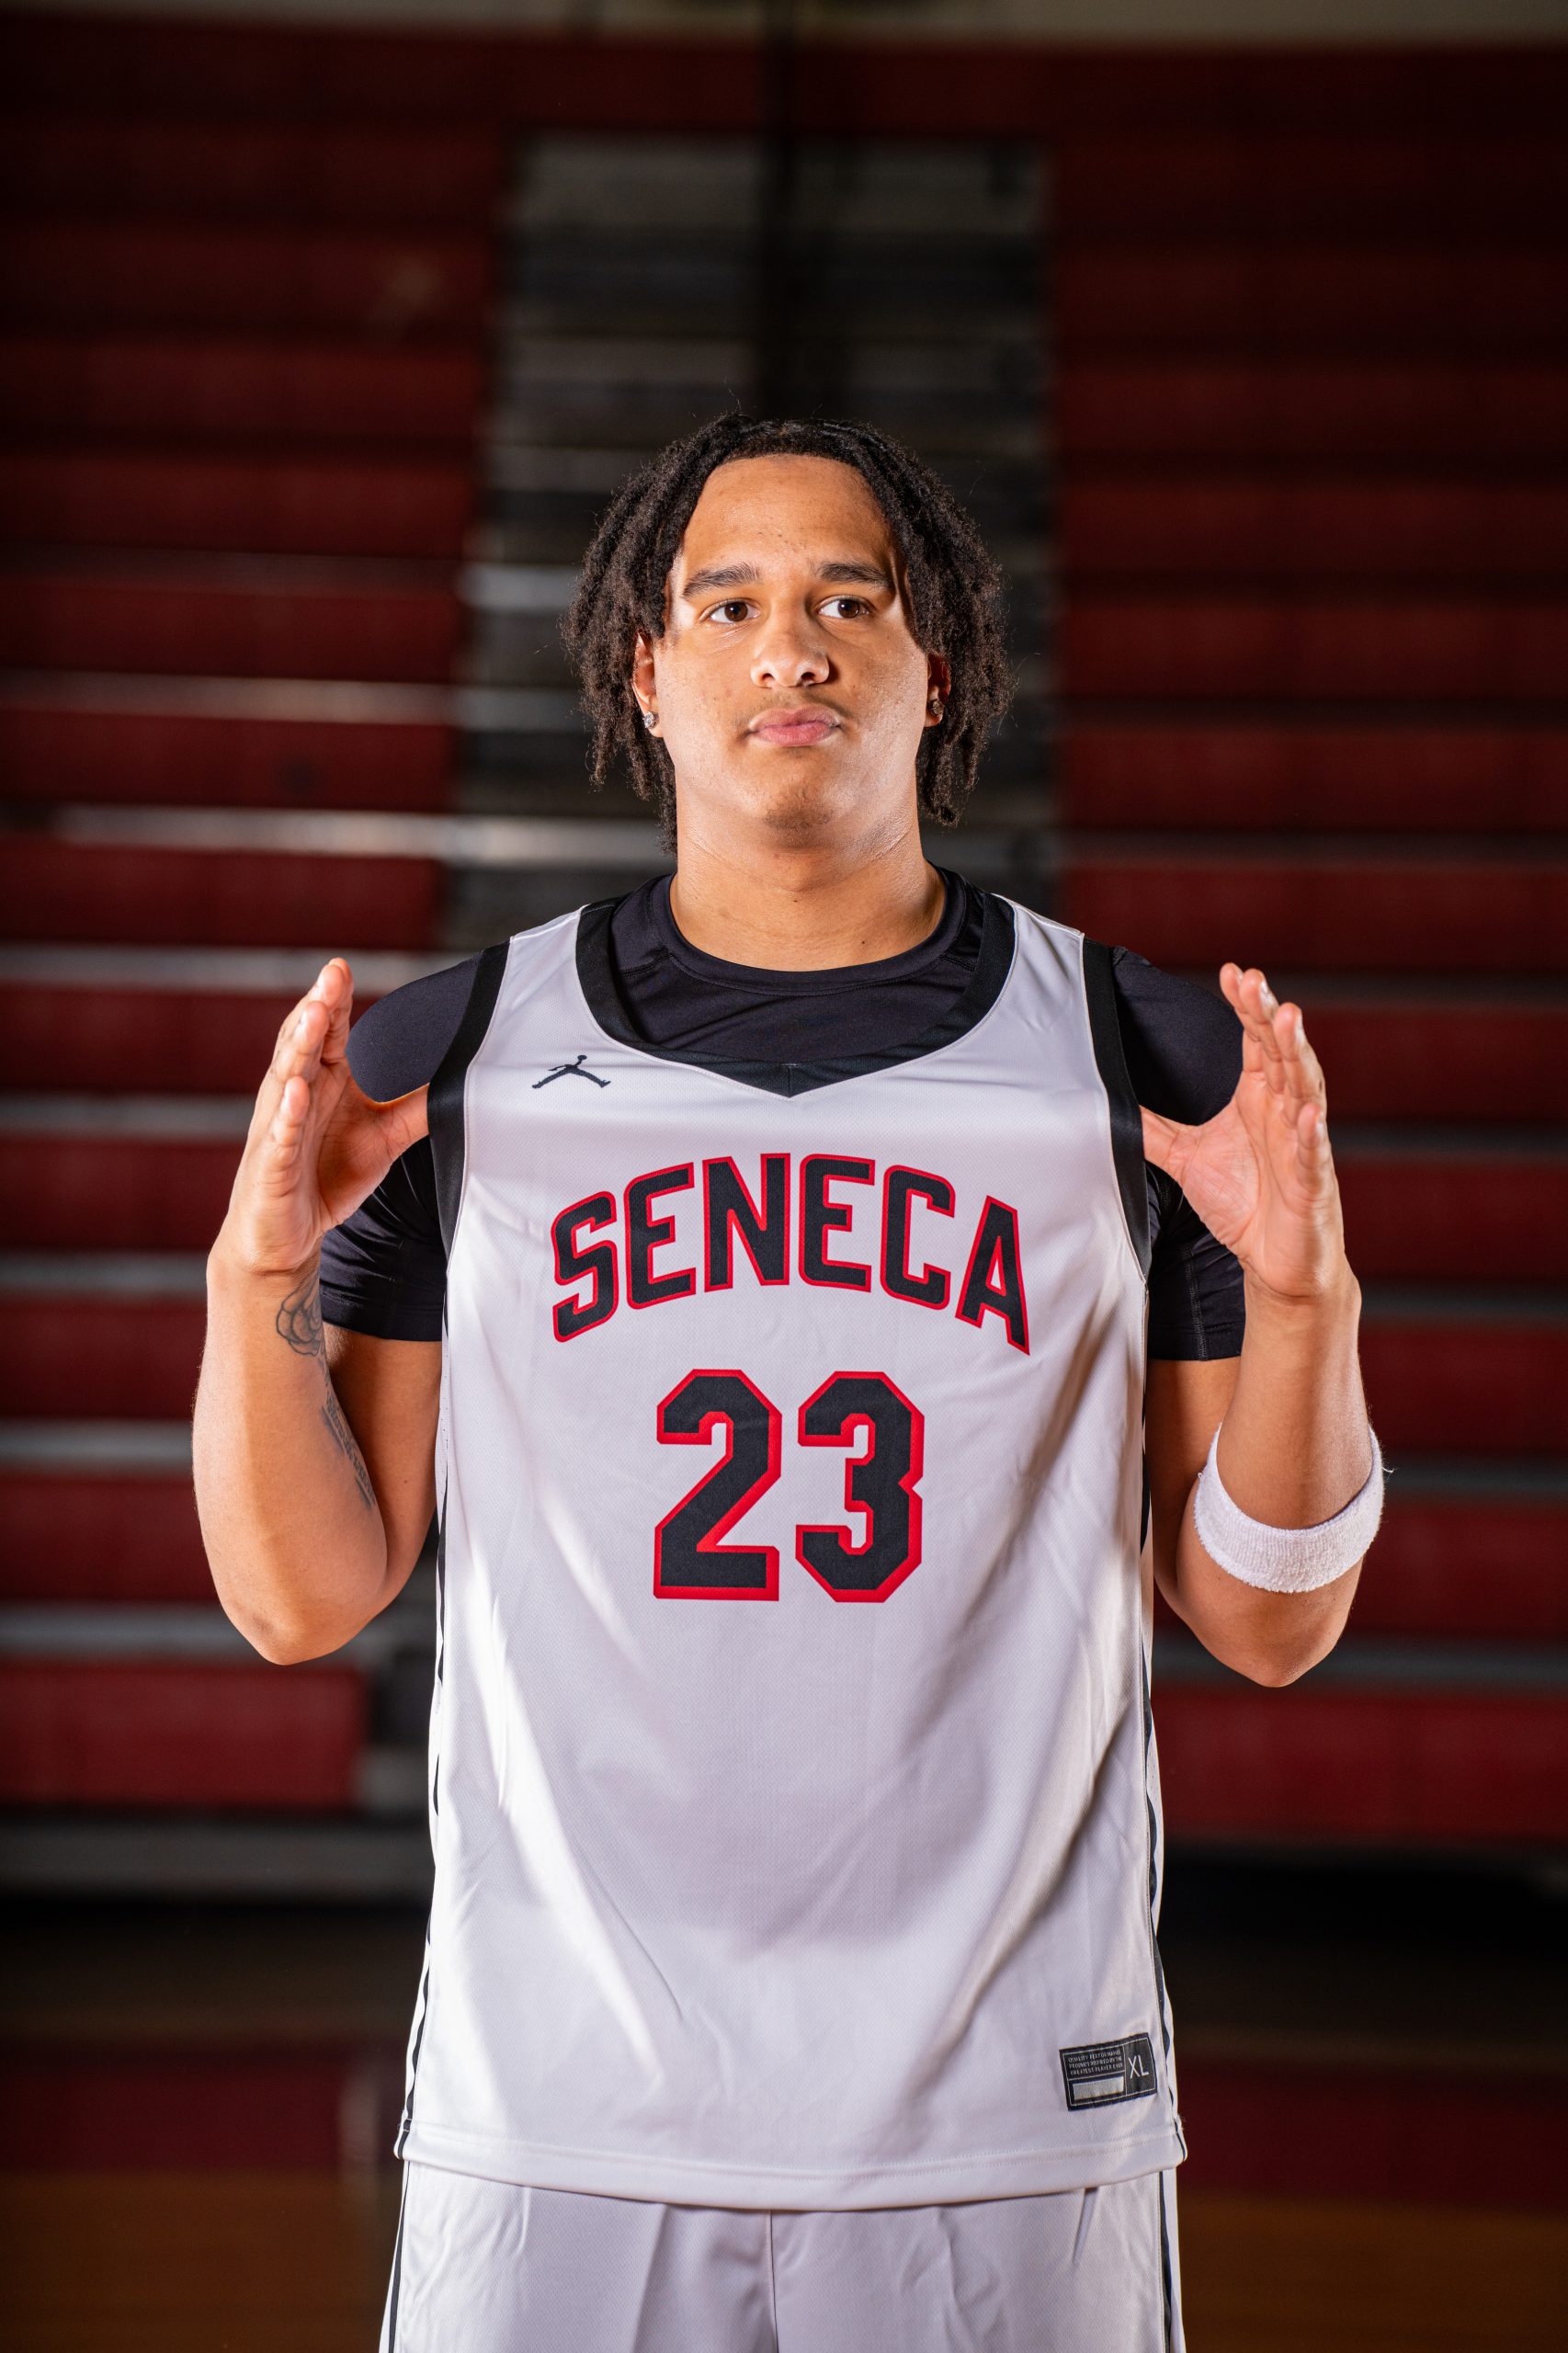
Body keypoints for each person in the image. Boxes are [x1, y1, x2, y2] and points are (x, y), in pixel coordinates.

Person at [194, 414, 1382, 2352]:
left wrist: (1306, 1303)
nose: (793, 647)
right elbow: (296, 1597)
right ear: (646, 673)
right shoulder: (452, 1059)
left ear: (939, 666)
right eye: (729, 602)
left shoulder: (1139, 1059)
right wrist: (254, 1282)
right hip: (557, 2109)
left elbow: (1267, 1621)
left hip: (1006, 2112)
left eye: (850, 598)